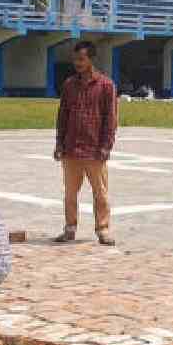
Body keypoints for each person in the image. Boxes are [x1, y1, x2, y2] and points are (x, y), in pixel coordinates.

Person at [53, 41, 118, 246]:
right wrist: (59, 143)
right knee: (70, 193)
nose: (77, 63)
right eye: (75, 59)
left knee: (100, 193)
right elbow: (62, 116)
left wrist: (106, 145)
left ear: (91, 59)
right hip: (71, 148)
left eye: (81, 59)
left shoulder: (106, 85)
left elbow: (111, 118)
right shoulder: (69, 85)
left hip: (94, 150)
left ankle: (103, 229)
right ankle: (70, 228)